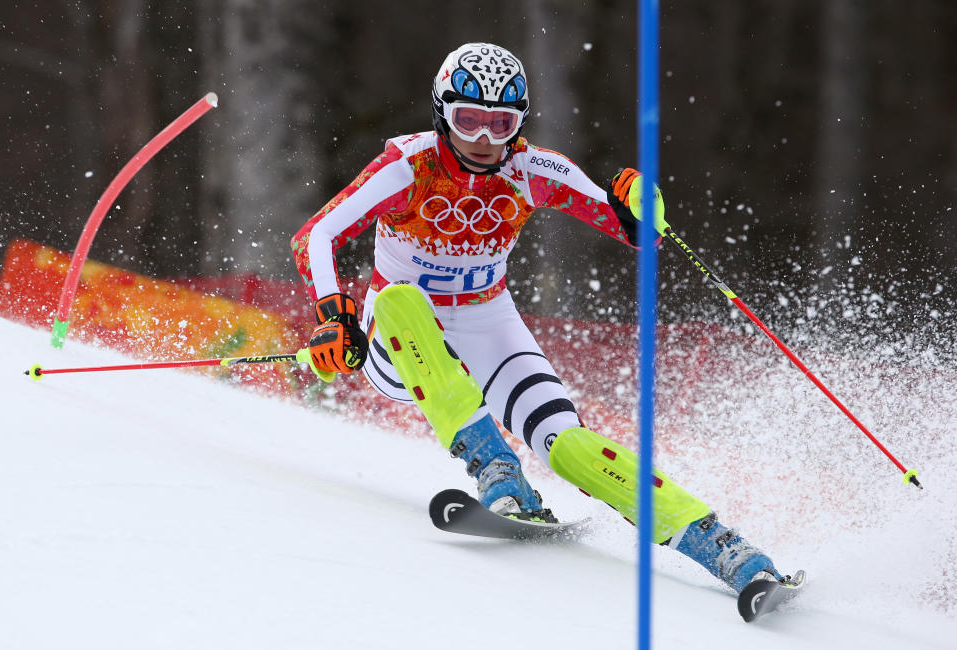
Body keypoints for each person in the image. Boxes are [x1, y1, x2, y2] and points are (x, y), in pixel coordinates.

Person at [291, 42, 790, 594]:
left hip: (487, 321)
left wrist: (642, 207)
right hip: (402, 343)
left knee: (570, 446)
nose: (483, 140)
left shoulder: (534, 169)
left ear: (519, 123)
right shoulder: (410, 165)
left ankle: (723, 548)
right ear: (442, 114)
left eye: (501, 124)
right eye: (468, 121)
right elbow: (317, 234)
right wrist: (334, 317)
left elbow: (633, 230)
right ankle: (497, 471)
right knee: (399, 303)